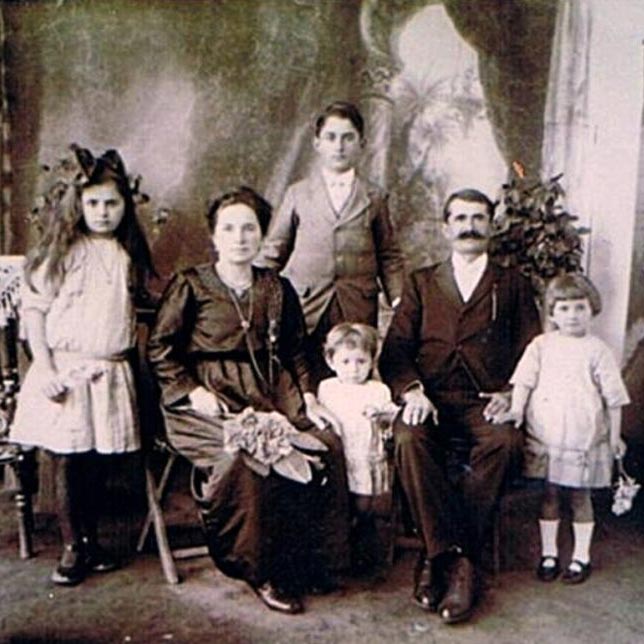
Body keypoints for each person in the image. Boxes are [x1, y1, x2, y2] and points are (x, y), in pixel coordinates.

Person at [147, 186, 350, 615]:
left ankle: (318, 561)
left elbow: (296, 351)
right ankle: (261, 570)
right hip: (204, 399)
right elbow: (161, 350)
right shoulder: (190, 284)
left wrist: (309, 398)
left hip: (269, 392)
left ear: (261, 235)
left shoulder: (277, 287)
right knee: (248, 458)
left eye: (249, 228)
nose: (239, 238)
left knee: (327, 442)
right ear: (214, 236)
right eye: (229, 229)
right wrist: (192, 391)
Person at [379, 188, 541, 624]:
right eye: (461, 218)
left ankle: (444, 559)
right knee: (408, 438)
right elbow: (395, 350)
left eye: (478, 218)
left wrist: (511, 393)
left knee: (504, 442)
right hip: (430, 398)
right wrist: (412, 392)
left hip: (485, 400)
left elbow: (533, 349)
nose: (470, 226)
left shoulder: (513, 283)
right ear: (446, 227)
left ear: (492, 225)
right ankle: (456, 558)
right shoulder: (421, 282)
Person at [11, 145, 154, 586]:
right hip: (67, 370)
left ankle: (92, 541)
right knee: (69, 460)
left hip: (109, 371)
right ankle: (72, 547)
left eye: (112, 203)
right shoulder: (62, 251)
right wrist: (47, 370)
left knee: (96, 460)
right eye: (93, 203)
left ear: (125, 206)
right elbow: (35, 314)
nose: (103, 212)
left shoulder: (126, 253)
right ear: (78, 204)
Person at [256, 100, 404, 384]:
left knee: (353, 379)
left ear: (361, 144)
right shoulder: (298, 193)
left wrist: (399, 300)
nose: (339, 146)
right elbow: (274, 250)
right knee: (304, 378)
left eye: (348, 138)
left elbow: (388, 254)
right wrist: (251, 292)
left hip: (356, 307)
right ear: (317, 143)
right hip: (307, 305)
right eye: (331, 137)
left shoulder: (374, 196)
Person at [496, 274, 630, 584]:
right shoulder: (541, 346)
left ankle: (581, 557)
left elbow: (614, 399)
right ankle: (549, 554)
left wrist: (614, 437)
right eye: (564, 308)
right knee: (549, 495)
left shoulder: (597, 350)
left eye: (580, 307)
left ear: (592, 310)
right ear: (552, 313)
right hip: (547, 436)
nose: (572, 315)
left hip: (582, 438)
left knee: (580, 498)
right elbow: (524, 381)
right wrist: (516, 410)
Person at [318, 322, 395, 574]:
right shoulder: (327, 388)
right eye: (346, 362)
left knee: (366, 506)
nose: (353, 369)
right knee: (341, 505)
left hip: (367, 455)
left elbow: (392, 415)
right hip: (342, 456)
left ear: (372, 361)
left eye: (361, 361)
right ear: (331, 362)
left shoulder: (378, 390)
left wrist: (381, 415)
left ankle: (368, 552)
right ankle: (341, 555)